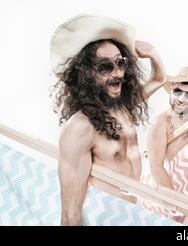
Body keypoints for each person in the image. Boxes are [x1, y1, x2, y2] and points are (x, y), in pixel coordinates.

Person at [51, 14, 166, 225]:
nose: (117, 74)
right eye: (105, 67)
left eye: (120, 63)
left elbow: (159, 79)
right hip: (102, 219)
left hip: (131, 214)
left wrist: (153, 53)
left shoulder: (123, 107)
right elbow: (70, 212)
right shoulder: (80, 128)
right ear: (85, 75)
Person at [146, 67, 188, 190]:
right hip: (180, 188)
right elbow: (156, 166)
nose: (181, 99)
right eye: (178, 91)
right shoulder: (160, 124)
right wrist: (174, 202)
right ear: (171, 89)